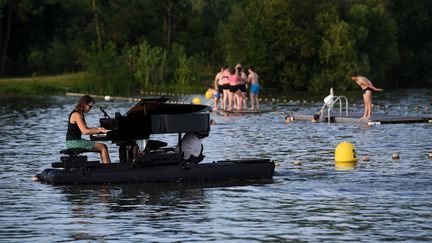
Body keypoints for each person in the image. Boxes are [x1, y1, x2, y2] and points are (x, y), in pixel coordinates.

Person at [66, 95, 111, 164]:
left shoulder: (80, 114)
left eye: (91, 107)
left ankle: (105, 167)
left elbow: (86, 128)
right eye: (89, 106)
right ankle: (108, 169)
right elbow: (84, 131)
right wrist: (100, 131)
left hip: (75, 141)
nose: (90, 109)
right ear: (84, 104)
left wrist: (98, 128)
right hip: (73, 143)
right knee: (103, 147)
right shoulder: (76, 114)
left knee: (102, 146)